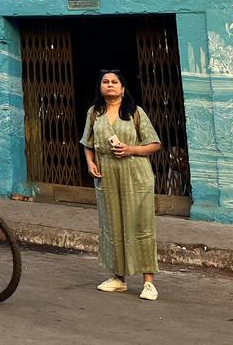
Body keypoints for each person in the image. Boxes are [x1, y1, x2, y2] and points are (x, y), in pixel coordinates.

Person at [81, 70, 162, 302]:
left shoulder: (135, 113)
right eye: (105, 82)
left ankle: (148, 282)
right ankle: (118, 278)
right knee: (112, 224)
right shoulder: (94, 113)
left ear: (123, 88)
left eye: (114, 82)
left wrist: (131, 149)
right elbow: (87, 143)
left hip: (135, 174)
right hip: (107, 175)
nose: (109, 85)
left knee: (141, 224)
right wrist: (90, 163)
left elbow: (155, 144)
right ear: (100, 87)